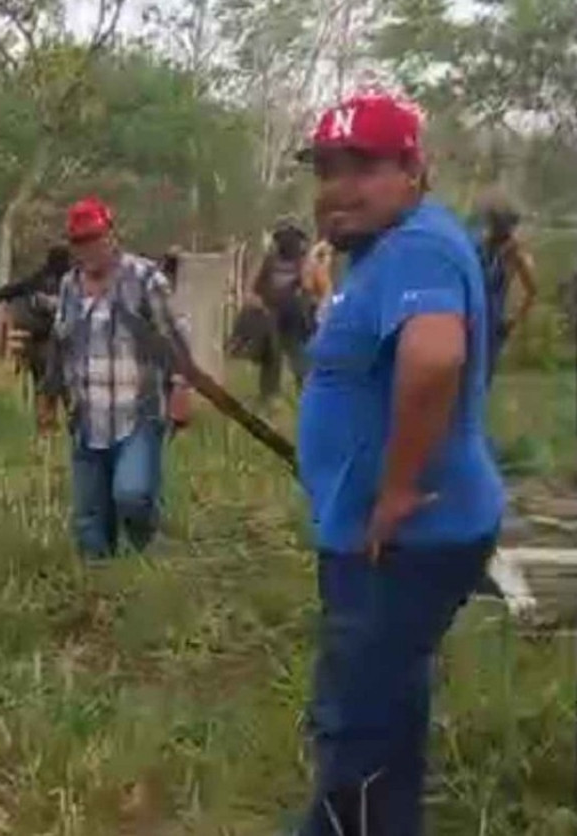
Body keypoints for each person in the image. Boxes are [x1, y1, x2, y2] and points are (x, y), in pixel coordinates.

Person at [295, 91, 505, 835]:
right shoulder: (389, 250)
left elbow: (435, 357)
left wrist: (395, 490)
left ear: (414, 169)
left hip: (402, 536)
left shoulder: (417, 245)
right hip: (390, 532)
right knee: (388, 715)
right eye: (326, 169)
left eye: (363, 168)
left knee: (354, 726)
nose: (338, 187)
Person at [41, 197, 192, 562]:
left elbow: (173, 337)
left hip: (137, 410)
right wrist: (47, 398)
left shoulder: (144, 279)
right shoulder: (69, 286)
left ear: (112, 235)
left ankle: (147, 552)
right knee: (89, 520)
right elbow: (61, 343)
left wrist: (181, 388)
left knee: (133, 494)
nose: (88, 249)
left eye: (95, 238)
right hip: (87, 414)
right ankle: (102, 587)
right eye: (79, 242)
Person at [0, 245, 71, 429]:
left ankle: (46, 424)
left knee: (42, 383)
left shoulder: (38, 279)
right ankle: (68, 423)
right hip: (64, 342)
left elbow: (13, 289)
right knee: (66, 385)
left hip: (39, 342)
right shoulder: (74, 280)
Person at [247, 217, 315, 404]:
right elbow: (250, 289)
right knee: (272, 354)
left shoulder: (303, 261)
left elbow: (308, 287)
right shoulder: (267, 260)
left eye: (293, 237)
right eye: (285, 236)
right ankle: (269, 397)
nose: (289, 241)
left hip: (294, 316)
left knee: (299, 354)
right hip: (270, 315)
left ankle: (307, 394)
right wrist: (257, 303)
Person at [475, 193, 538, 383]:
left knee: (482, 378)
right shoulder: (479, 247)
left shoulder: (515, 254)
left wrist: (513, 320)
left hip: (492, 324)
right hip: (470, 316)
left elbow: (532, 291)